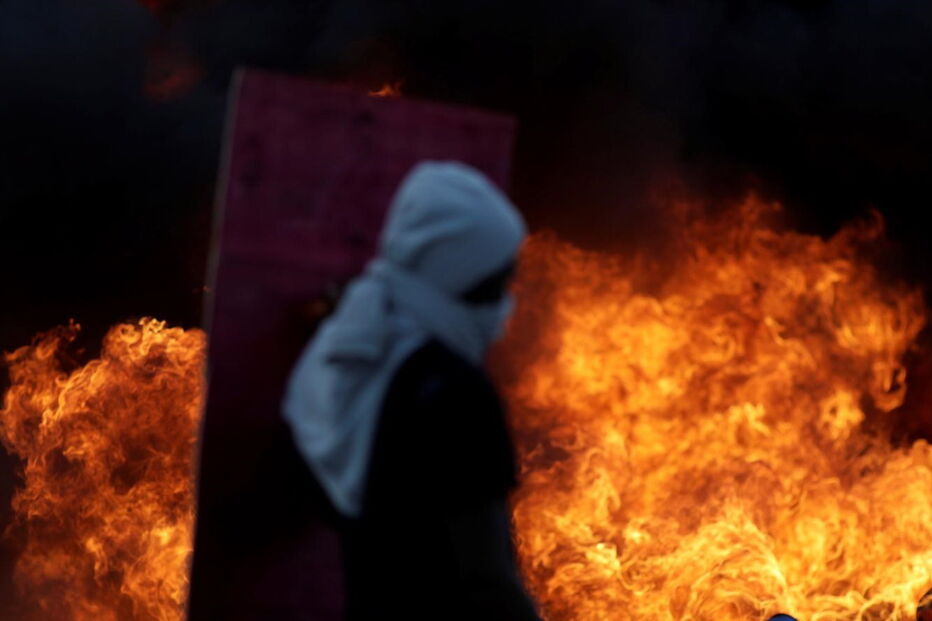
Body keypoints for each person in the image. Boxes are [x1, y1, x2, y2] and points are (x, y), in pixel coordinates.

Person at [282, 160, 541, 620]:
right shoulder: (456, 395)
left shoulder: (347, 358)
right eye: (496, 283)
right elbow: (486, 579)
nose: (505, 303)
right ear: (458, 276)